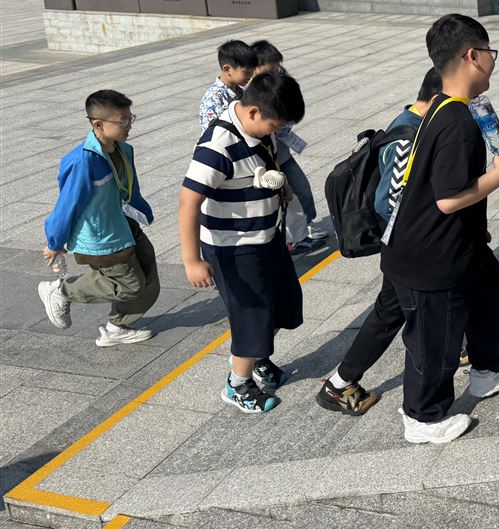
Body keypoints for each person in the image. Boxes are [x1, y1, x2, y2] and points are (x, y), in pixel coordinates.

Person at [329, 16, 499, 443]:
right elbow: (448, 198)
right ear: (473, 56)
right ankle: (422, 417)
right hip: (429, 256)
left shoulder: (441, 107)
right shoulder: (457, 122)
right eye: (490, 52)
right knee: (435, 340)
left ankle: (488, 369)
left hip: (444, 245)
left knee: (492, 289)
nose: (493, 60)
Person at [315, 65, 443, 417]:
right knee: (391, 312)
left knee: (399, 308)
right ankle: (339, 384)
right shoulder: (407, 137)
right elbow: (388, 202)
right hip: (406, 246)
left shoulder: (417, 124)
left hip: (410, 244)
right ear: (437, 99)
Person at [180, 71, 307, 414]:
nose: (275, 132)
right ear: (253, 112)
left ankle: (257, 357)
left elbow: (265, 162)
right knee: (252, 314)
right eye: (274, 126)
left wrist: (282, 187)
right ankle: (237, 383)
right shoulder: (217, 146)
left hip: (267, 235)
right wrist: (192, 260)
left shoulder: (257, 130)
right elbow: (188, 201)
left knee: (284, 303)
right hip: (233, 247)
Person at [39, 90, 159, 347]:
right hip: (102, 237)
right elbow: (67, 205)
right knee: (130, 285)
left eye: (130, 118)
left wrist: (141, 212)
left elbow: (128, 189)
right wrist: (55, 242)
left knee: (149, 279)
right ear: (98, 125)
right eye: (122, 120)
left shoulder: (123, 150)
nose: (128, 125)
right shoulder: (83, 162)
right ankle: (62, 291)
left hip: (124, 225)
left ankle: (116, 328)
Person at [249, 40, 326, 252]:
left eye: (277, 67)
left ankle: (304, 228)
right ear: (254, 68)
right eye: (270, 68)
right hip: (266, 160)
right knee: (285, 198)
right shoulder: (252, 94)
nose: (276, 72)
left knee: (302, 189)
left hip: (282, 153)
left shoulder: (277, 83)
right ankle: (292, 238)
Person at [198, 39, 257, 132]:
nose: (251, 75)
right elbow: (212, 134)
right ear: (227, 69)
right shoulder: (214, 98)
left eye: (253, 71)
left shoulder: (238, 90)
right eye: (247, 72)